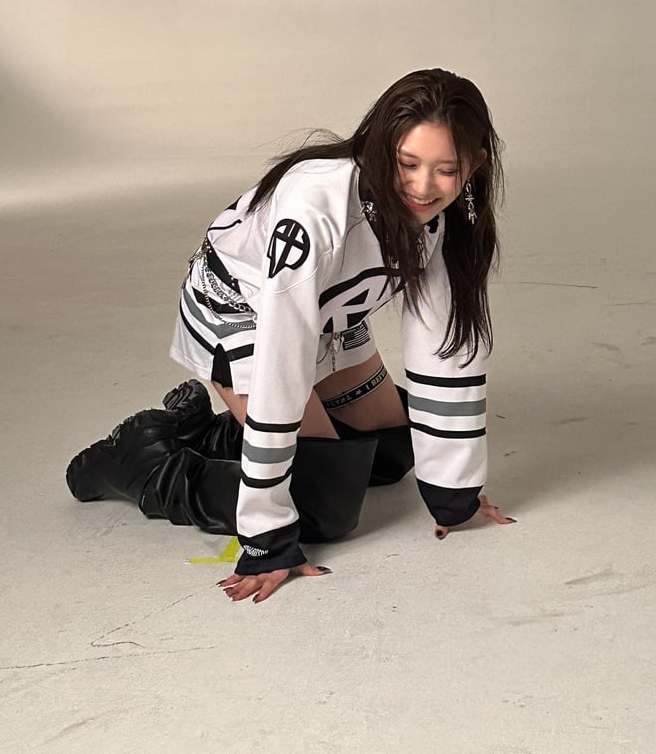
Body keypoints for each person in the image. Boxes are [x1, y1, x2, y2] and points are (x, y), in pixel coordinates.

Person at [66, 67, 514, 604]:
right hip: (242, 310)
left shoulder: (450, 219)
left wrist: (455, 495)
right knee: (325, 506)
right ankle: (140, 459)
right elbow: (283, 360)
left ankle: (212, 432)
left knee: (393, 451)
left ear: (474, 165)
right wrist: (267, 538)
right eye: (408, 164)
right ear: (380, 147)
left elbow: (444, 348)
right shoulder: (314, 210)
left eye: (447, 170)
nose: (423, 187)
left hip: (330, 319)